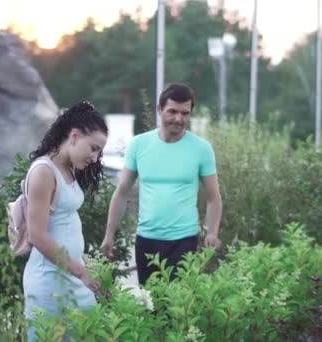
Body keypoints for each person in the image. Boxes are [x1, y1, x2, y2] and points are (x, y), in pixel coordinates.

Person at [101, 83, 223, 286]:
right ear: (159, 110)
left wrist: (212, 232)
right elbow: (121, 192)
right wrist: (109, 234)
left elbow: (213, 197)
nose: (178, 119)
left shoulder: (202, 149)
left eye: (185, 113)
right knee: (152, 307)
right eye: (172, 112)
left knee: (177, 307)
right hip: (146, 239)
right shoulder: (139, 145)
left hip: (184, 240)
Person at [23, 101, 108, 341]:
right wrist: (82, 273)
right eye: (92, 148)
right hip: (49, 284)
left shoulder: (67, 169)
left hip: (72, 277)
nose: (95, 157)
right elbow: (36, 235)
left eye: (99, 152)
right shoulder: (43, 171)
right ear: (74, 136)